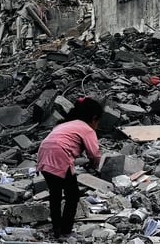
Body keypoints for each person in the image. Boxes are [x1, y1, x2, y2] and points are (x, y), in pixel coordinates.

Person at [37, 97, 104, 240]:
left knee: (55, 194)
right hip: (60, 155)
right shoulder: (87, 129)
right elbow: (94, 154)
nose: (97, 126)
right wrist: (94, 167)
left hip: (43, 154)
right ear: (94, 118)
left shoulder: (64, 125)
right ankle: (66, 230)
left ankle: (56, 229)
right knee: (73, 195)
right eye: (98, 122)